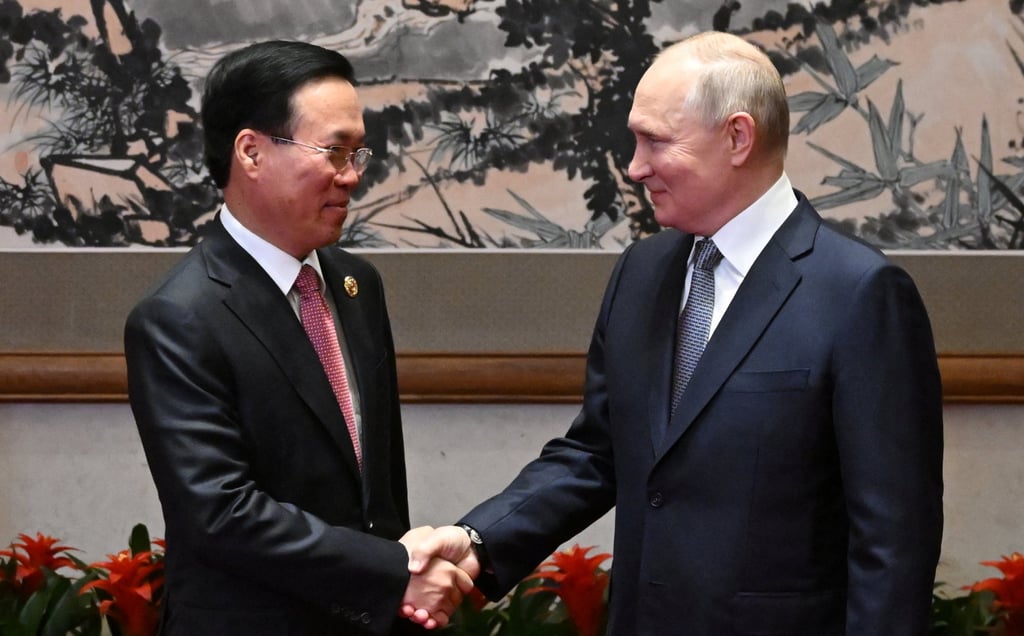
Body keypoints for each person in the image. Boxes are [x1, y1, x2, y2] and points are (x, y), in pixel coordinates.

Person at [405, 31, 944, 635]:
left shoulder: (860, 294)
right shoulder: (642, 272)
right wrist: (478, 540)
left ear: (738, 137)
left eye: (655, 142)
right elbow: (598, 451)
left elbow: (894, 542)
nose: (634, 168)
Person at [124, 40, 470, 635]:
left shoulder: (358, 285)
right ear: (252, 152)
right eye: (334, 152)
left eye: (358, 153)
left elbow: (377, 491)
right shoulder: (179, 316)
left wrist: (402, 585)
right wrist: (395, 569)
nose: (354, 176)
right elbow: (222, 513)